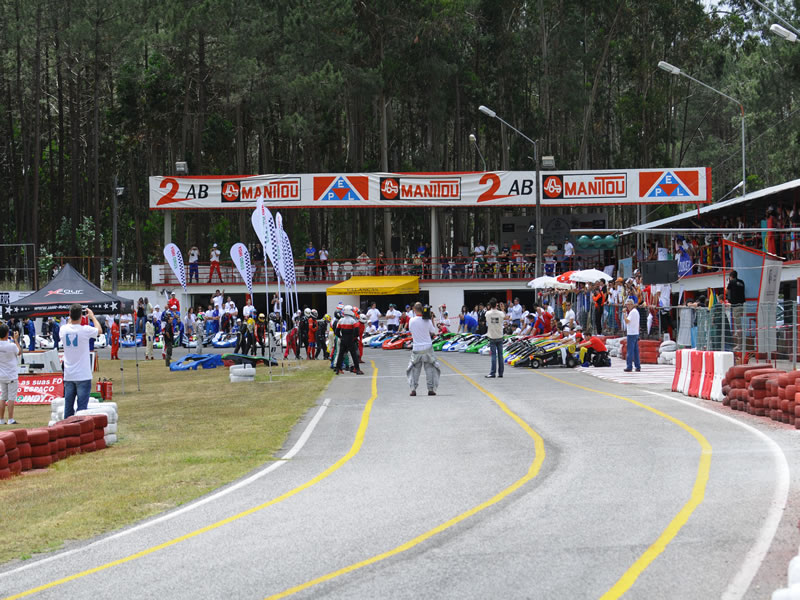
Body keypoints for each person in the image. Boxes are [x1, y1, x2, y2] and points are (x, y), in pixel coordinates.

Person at [62, 304, 101, 419]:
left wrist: (72, 316)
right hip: (83, 374)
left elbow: (69, 323)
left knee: (68, 408)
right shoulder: (85, 330)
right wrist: (92, 317)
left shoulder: (63, 329)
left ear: (69, 315)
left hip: (69, 375)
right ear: (81, 316)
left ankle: (66, 431)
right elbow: (99, 330)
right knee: (82, 410)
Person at [406, 303, 440, 396]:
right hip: (427, 347)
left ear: (414, 309)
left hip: (417, 347)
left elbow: (410, 330)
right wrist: (431, 318)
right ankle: (430, 389)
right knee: (429, 369)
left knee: (415, 369)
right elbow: (433, 331)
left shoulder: (411, 320)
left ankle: (413, 389)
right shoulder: (427, 321)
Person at [0, 323, 21, 425]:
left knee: (3, 397)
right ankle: (11, 419)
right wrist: (16, 339)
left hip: (1, 374)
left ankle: (1, 419)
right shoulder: (12, 345)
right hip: (11, 374)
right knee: (11, 397)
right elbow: (19, 352)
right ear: (7, 333)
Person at [334, 305, 363, 375]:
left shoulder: (341, 320)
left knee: (341, 354)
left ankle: (338, 369)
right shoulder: (353, 320)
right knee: (354, 355)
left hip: (343, 339)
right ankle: (357, 369)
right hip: (350, 339)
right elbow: (356, 331)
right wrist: (354, 337)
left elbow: (337, 331)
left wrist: (341, 337)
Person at [484, 298, 505, 379]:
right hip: (499, 335)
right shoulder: (500, 313)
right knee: (500, 355)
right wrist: (502, 309)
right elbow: (504, 316)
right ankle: (500, 373)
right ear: (497, 304)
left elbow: (487, 319)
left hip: (492, 336)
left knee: (493, 355)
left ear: (490, 305)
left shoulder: (488, 313)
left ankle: (492, 373)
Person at [623, 297, 641, 372]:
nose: (627, 307)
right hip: (635, 332)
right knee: (635, 351)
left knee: (630, 351)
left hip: (631, 333)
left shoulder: (632, 312)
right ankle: (637, 366)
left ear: (631, 305)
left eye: (628, 305)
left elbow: (627, 321)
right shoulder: (636, 312)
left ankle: (629, 366)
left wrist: (624, 314)